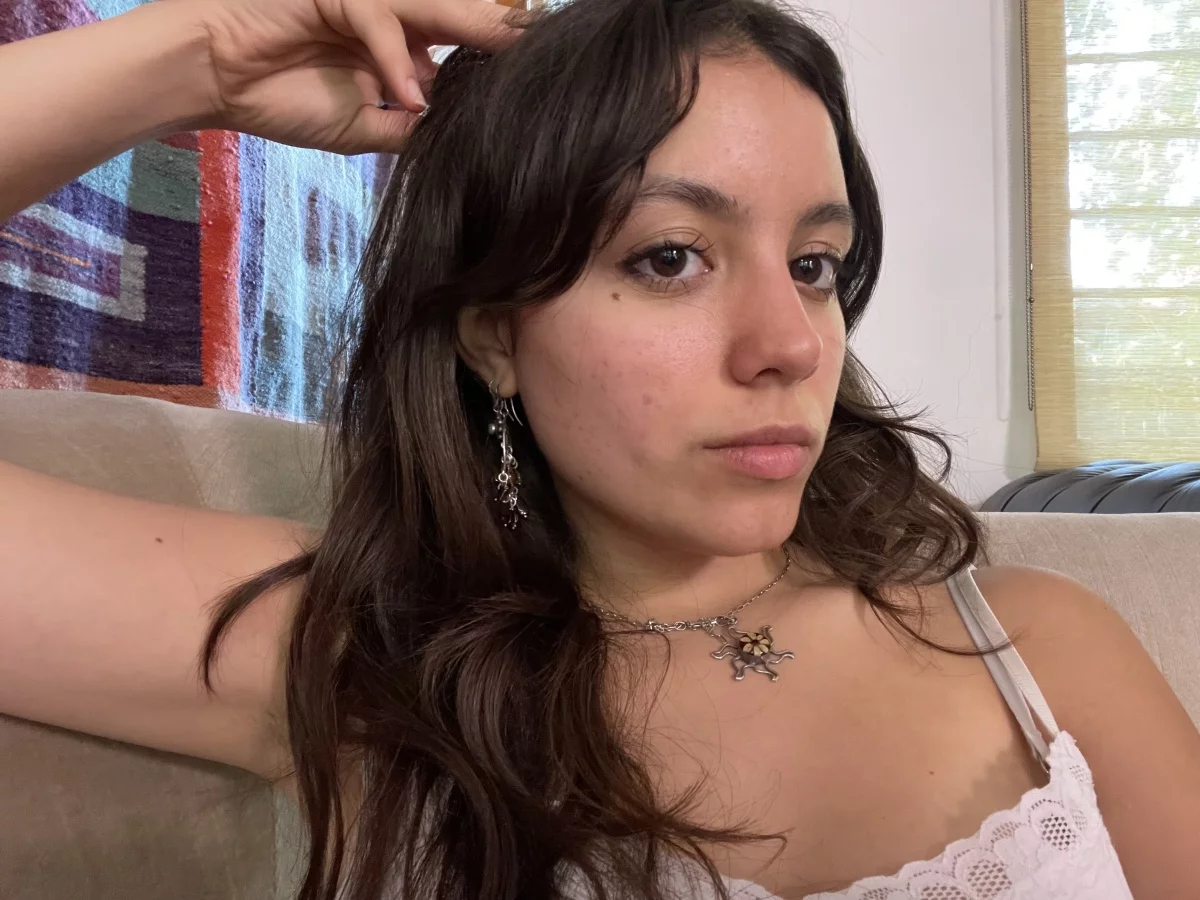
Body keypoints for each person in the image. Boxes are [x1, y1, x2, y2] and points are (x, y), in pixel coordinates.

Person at [1, 0, 1198, 898]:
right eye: (671, 256)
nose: (791, 344)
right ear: (494, 337)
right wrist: (199, 54)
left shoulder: (1040, 652)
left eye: (814, 265)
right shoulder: (367, 662)